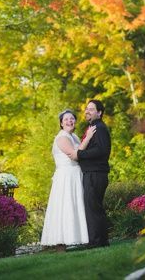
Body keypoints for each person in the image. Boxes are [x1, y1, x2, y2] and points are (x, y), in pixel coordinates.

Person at [40, 109, 95, 250]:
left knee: (77, 207)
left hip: (76, 175)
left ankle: (81, 238)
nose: (70, 121)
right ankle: (60, 245)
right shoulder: (62, 138)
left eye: (72, 118)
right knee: (65, 208)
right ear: (61, 123)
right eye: (66, 119)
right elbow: (75, 155)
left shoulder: (74, 136)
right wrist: (88, 137)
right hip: (66, 178)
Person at [68, 99, 112, 248]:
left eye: (91, 109)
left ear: (99, 113)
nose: (87, 111)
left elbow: (102, 150)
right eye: (86, 109)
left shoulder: (99, 128)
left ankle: (96, 241)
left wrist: (80, 154)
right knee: (95, 207)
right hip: (93, 173)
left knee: (93, 208)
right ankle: (101, 240)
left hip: (95, 173)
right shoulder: (93, 127)